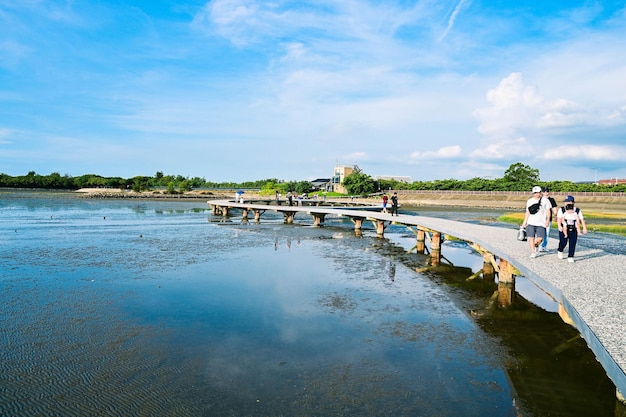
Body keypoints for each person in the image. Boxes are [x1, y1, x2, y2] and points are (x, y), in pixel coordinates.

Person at [521, 186, 551, 258]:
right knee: (531, 238)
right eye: (535, 193)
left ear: (541, 192)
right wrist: (525, 222)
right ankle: (533, 252)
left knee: (540, 238)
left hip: (541, 223)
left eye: (538, 192)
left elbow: (548, 211)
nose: (537, 194)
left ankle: (536, 245)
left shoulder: (545, 201)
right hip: (531, 222)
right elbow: (528, 212)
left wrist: (547, 220)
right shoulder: (530, 201)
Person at [556, 195, 588, 263]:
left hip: (573, 227)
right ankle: (560, 250)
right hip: (564, 226)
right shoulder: (562, 209)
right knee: (563, 242)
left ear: (572, 202)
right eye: (566, 202)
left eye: (568, 201)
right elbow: (559, 218)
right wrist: (559, 226)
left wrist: (584, 228)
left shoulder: (577, 210)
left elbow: (581, 219)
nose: (566, 203)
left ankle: (570, 256)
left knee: (573, 242)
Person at [539, 187, 558, 252]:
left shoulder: (551, 199)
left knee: (546, 233)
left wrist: (556, 215)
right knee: (539, 233)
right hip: (539, 218)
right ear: (542, 192)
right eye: (544, 191)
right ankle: (538, 245)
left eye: (547, 191)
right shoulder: (539, 199)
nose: (545, 193)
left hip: (548, 219)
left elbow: (554, 208)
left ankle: (543, 246)